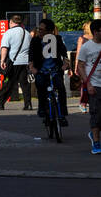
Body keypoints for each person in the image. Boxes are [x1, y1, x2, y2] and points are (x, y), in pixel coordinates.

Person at [29, 18, 69, 128]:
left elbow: (64, 54)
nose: (40, 31)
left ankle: (62, 115)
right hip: (41, 70)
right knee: (41, 87)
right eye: (39, 29)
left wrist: (65, 64)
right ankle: (42, 109)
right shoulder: (35, 41)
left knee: (60, 88)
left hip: (55, 70)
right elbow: (31, 56)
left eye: (42, 30)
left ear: (50, 31)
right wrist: (32, 68)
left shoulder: (57, 39)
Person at [73, 19, 101, 154]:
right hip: (94, 85)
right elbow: (81, 65)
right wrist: (87, 83)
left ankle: (94, 135)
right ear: (96, 32)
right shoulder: (87, 47)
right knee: (96, 114)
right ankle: (96, 142)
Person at [0, 14, 32, 110]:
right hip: (25, 61)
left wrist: (2, 60)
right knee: (24, 84)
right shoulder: (26, 33)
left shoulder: (9, 33)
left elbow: (4, 48)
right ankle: (28, 104)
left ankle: (0, 102)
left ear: (11, 22)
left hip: (13, 62)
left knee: (8, 82)